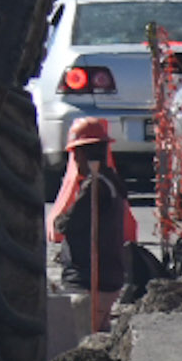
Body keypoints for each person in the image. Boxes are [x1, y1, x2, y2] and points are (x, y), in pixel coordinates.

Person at [50, 118, 135, 330]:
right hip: (107, 278)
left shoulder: (95, 186)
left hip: (90, 282)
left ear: (81, 154)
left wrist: (60, 220)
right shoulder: (111, 181)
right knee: (99, 330)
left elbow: (67, 224)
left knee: (84, 333)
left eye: (75, 155)